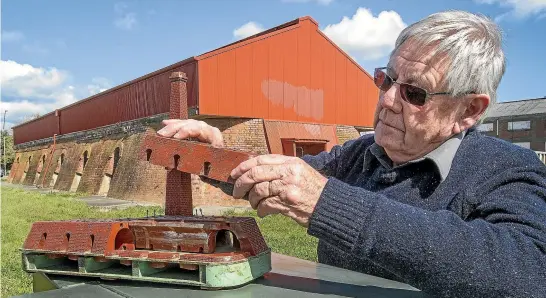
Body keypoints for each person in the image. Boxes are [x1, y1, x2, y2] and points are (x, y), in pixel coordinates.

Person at [157, 10, 546, 298]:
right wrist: (212, 155)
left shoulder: (508, 168)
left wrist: (329, 204)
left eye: (415, 93)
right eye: (386, 79)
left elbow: (526, 271)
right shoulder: (362, 153)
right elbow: (281, 178)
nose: (389, 100)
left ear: (469, 111)